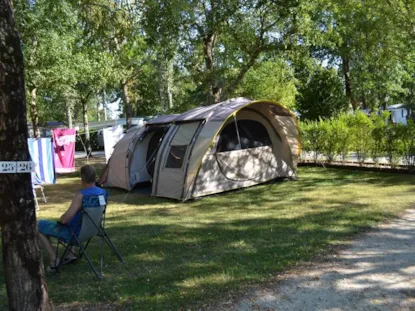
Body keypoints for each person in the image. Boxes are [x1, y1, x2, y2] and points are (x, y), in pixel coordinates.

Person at [38, 164, 106, 272]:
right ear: (95, 177)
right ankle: (70, 254)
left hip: (76, 234)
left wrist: (61, 219)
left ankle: (53, 260)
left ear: (82, 179)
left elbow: (65, 219)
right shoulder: (102, 193)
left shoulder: (81, 195)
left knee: (39, 226)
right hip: (93, 230)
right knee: (74, 221)